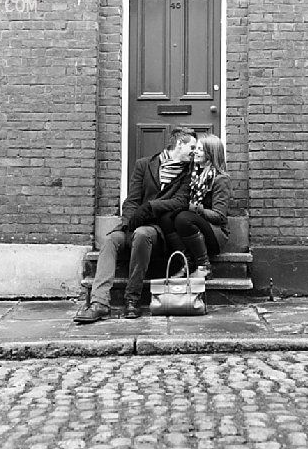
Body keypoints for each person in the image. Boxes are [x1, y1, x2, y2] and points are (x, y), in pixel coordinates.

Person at [74, 126, 197, 324]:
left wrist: (150, 208)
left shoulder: (188, 173)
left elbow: (180, 202)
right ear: (179, 144)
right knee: (112, 240)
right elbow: (132, 200)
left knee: (141, 235)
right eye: (191, 147)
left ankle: (132, 298)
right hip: (134, 224)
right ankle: (99, 303)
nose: (194, 152)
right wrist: (128, 222)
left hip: (157, 229)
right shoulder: (144, 165)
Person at [158, 133, 230, 280]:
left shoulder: (220, 180)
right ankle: (188, 262)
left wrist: (196, 209)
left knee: (183, 218)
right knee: (166, 218)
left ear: (211, 154)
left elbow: (219, 216)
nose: (195, 152)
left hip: (215, 233)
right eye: (195, 148)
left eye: (200, 149)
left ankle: (204, 266)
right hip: (193, 230)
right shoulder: (193, 175)